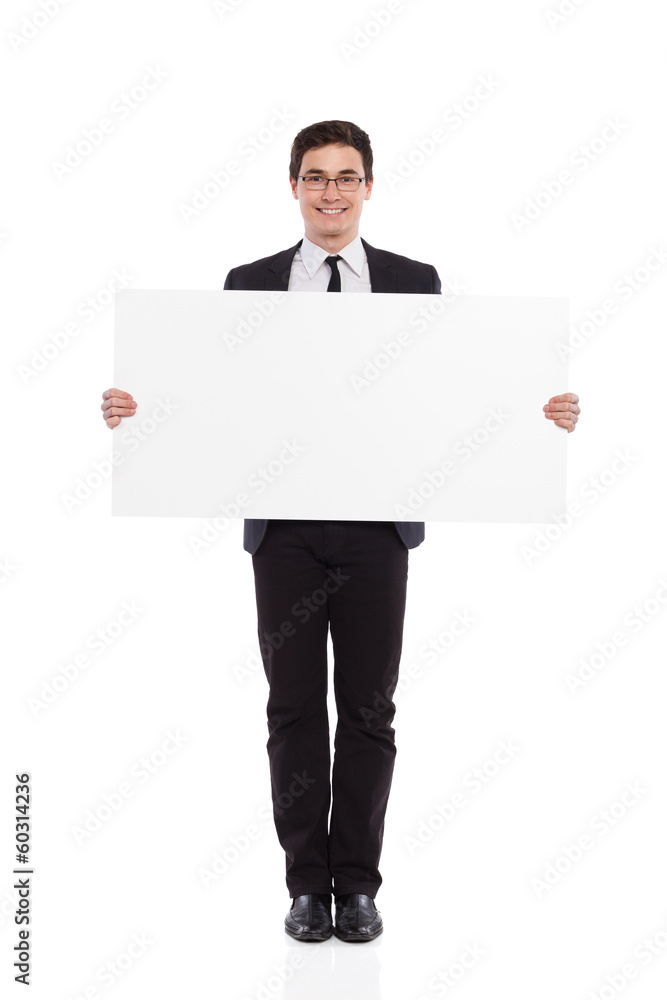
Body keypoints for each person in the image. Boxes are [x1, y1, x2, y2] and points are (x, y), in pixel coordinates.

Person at [101, 119, 581, 943]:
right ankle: (303, 886)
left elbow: (452, 393)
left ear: (368, 186)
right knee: (292, 708)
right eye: (316, 176)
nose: (331, 191)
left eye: (346, 176)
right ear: (293, 186)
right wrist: (142, 414)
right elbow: (216, 395)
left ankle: (355, 886)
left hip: (375, 531)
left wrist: (535, 417)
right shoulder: (249, 282)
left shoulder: (411, 280)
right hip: (283, 532)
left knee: (367, 710)